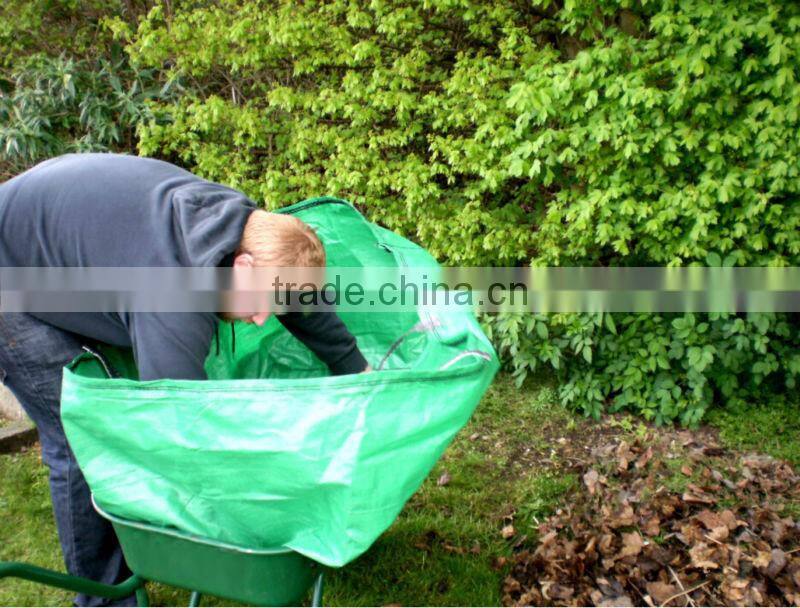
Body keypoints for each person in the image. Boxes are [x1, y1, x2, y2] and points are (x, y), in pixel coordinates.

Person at [0, 153, 370, 606]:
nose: (261, 319)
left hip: (61, 230)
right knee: (78, 436)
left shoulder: (244, 228)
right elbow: (178, 428)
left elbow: (296, 295)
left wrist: (358, 370)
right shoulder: (174, 293)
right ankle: (103, 600)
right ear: (243, 267)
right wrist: (259, 498)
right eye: (262, 303)